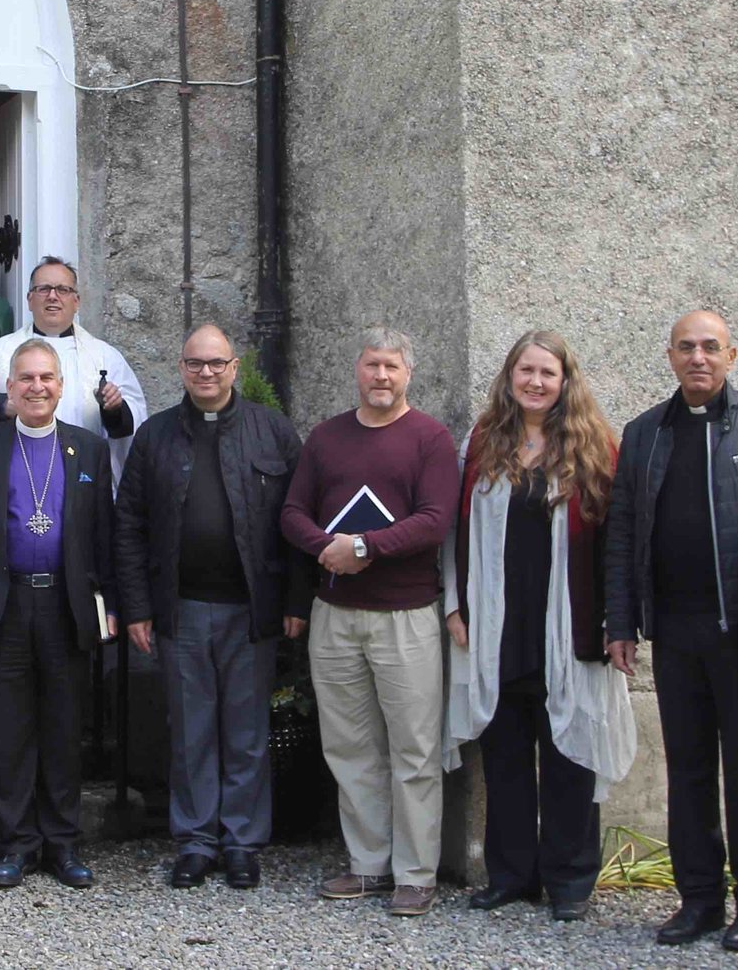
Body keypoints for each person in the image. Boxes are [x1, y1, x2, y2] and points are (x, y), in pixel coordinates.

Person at [603, 310, 738, 951]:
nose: (698, 358)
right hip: (677, 634)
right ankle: (698, 901)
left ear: (732, 356)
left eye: (710, 347)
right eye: (686, 347)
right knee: (688, 773)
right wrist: (621, 621)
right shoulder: (644, 435)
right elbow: (623, 532)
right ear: (669, 357)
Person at [443, 331, 636, 922]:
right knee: (502, 755)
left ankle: (571, 880)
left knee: (569, 754)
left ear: (565, 381)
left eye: (547, 373)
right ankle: (511, 874)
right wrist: (454, 605)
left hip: (567, 625)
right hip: (498, 623)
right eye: (525, 370)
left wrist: (615, 621)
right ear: (509, 376)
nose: (534, 382)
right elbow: (455, 529)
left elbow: (617, 541)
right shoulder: (483, 442)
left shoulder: (595, 446)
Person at [113, 324, 306, 891]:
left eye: (216, 363)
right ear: (181, 367)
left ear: (235, 366)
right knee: (191, 730)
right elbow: (130, 527)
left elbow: (298, 520)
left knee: (246, 732)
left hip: (252, 610)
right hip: (181, 611)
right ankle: (196, 841)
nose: (206, 373)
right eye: (195, 363)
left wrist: (296, 599)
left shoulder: (271, 431)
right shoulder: (155, 436)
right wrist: (138, 608)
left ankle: (242, 842)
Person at [280, 326, 459, 916]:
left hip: (404, 617)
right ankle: (368, 864)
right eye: (371, 365)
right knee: (350, 746)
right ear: (355, 370)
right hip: (335, 617)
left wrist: (364, 549)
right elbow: (292, 512)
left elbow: (435, 520)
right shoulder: (328, 438)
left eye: (391, 366)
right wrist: (326, 547)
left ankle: (415, 872)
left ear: (409, 373)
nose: (380, 376)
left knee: (412, 749)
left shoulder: (430, 439)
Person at [0, 339, 117, 890]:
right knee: (9, 730)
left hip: (67, 604)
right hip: (6, 603)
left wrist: (110, 605)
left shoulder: (88, 450)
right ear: (11, 387)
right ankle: (16, 843)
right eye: (25, 378)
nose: (37, 387)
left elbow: (105, 535)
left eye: (46, 377)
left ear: (61, 385)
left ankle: (63, 843)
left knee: (64, 726)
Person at [0, 257, 147, 483]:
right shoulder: (0, 350)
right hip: (14, 474)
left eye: (63, 289)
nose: (53, 296)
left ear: (76, 301)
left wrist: (114, 410)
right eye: (43, 289)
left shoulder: (104, 357)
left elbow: (136, 419)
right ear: (29, 299)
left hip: (82, 476)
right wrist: (4, 406)